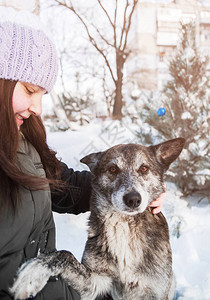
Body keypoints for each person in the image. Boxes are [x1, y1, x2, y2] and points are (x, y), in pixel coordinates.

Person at [0, 7, 165, 300]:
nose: (37, 108)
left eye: (42, 95)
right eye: (28, 89)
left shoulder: (23, 141)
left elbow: (62, 186)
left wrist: (131, 189)